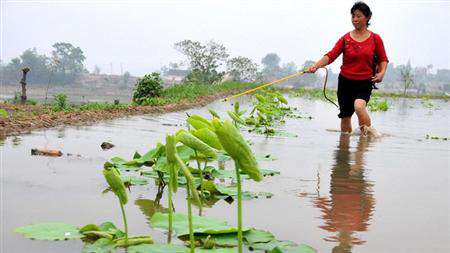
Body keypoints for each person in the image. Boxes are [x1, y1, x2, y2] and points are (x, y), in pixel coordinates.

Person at [308, 2, 388, 135]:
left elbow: (383, 59)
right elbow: (331, 55)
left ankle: (365, 141)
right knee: (345, 116)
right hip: (345, 81)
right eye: (353, 16)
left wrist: (382, 73)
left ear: (367, 17)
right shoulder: (346, 39)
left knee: (359, 107)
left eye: (358, 16)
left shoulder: (375, 39)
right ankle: (344, 149)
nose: (355, 19)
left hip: (364, 82)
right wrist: (316, 65)